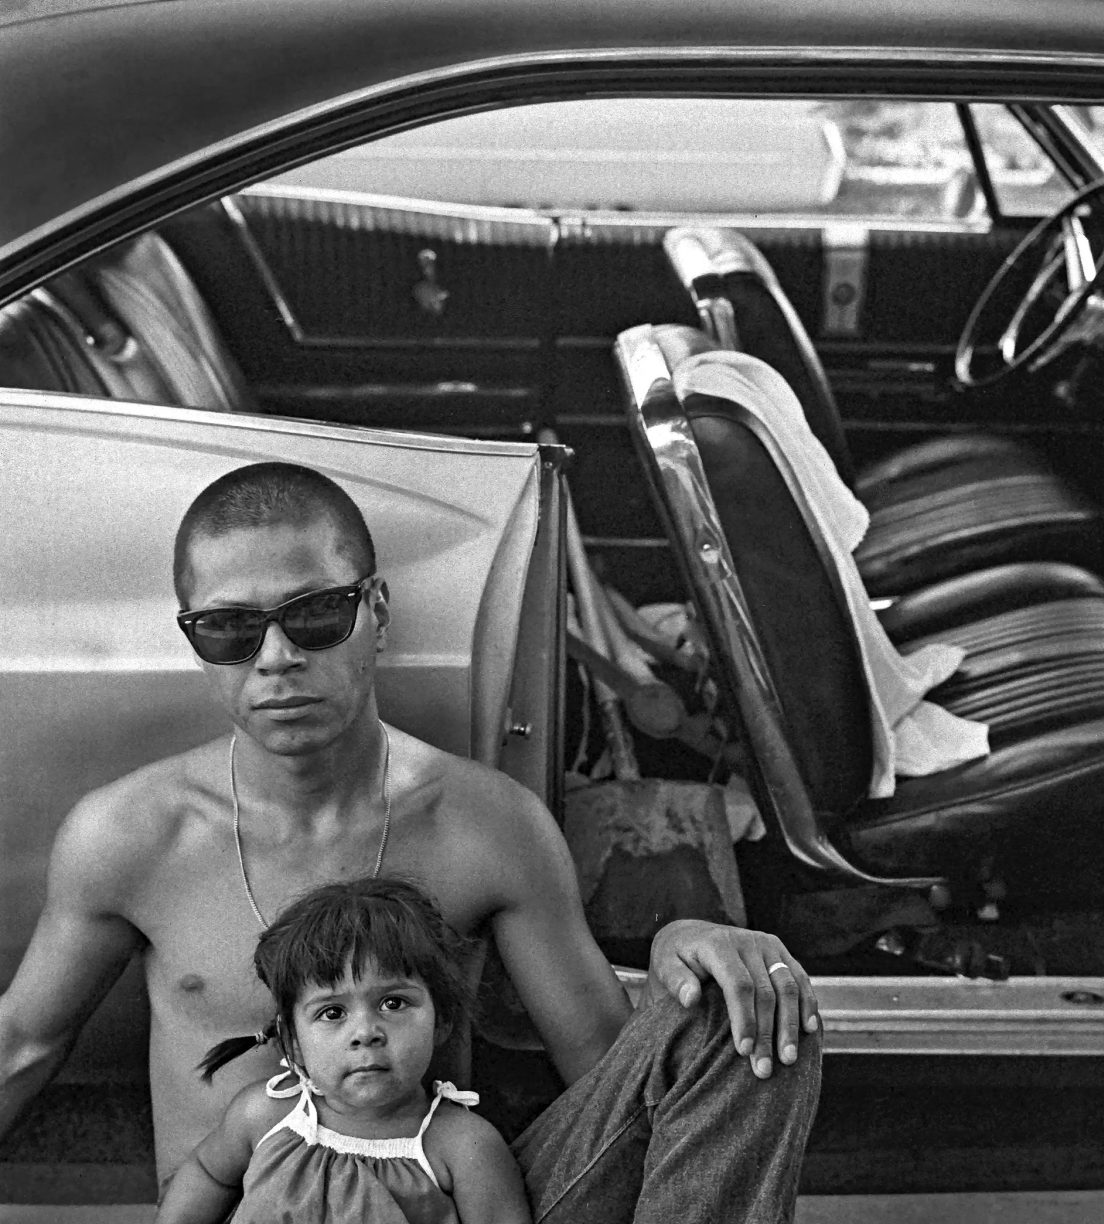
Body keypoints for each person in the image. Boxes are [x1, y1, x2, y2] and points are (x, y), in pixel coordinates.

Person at [0, 460, 821, 1221]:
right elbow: (20, 1048)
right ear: (193, 641)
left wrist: (684, 951)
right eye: (228, 628)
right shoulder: (132, 833)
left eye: (315, 615)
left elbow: (617, 1085)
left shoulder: (484, 822)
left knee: (749, 1003)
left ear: (377, 613)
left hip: (438, 1203)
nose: (276, 658)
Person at [157, 876, 531, 1224]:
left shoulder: (464, 1147)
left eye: (394, 1003)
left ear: (442, 1021)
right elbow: (208, 1174)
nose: (366, 1033)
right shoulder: (265, 1116)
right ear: (292, 1041)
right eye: (333, 1012)